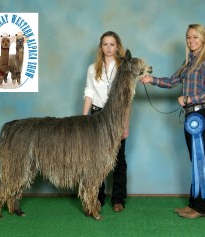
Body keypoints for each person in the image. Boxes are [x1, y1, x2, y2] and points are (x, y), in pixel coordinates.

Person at [140, 24, 205, 218]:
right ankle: (194, 204)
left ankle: (203, 207)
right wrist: (152, 80)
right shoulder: (188, 62)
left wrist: (189, 99)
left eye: (195, 37)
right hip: (191, 116)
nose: (191, 41)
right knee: (195, 161)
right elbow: (172, 80)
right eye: (188, 37)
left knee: (201, 161)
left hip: (201, 115)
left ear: (204, 40)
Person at [83, 31, 128, 212]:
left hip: (116, 118)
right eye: (105, 44)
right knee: (95, 159)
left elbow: (126, 99)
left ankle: (118, 199)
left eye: (112, 44)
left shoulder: (123, 68)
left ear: (117, 46)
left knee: (119, 158)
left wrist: (125, 124)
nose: (108, 48)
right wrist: (84, 119)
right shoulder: (92, 68)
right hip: (96, 117)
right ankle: (97, 197)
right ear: (100, 47)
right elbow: (89, 94)